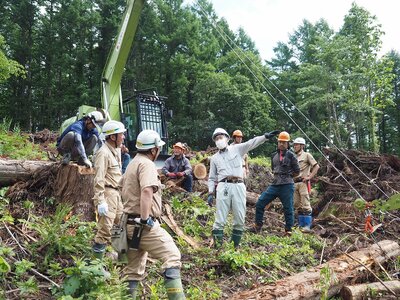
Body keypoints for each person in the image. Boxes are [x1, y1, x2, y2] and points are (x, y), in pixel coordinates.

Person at [121, 130, 185, 299]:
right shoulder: (147, 164)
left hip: (128, 224)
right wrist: (144, 220)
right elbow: (147, 191)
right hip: (142, 224)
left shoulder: (133, 163)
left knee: (133, 271)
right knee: (172, 256)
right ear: (153, 150)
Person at [207, 128, 279, 248]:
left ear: (227, 138)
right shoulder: (214, 158)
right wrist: (210, 192)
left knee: (240, 217)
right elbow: (211, 177)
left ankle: (234, 247)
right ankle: (218, 248)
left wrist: (265, 137)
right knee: (220, 218)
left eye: (221, 137)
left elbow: (252, 143)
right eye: (217, 138)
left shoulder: (237, 149)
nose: (219, 140)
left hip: (239, 185)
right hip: (223, 186)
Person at [250, 131, 300, 235]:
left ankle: (288, 230)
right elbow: (274, 169)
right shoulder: (273, 156)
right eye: (280, 142)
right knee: (260, 202)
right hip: (275, 183)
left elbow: (297, 171)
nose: (281, 144)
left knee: (288, 207)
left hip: (287, 184)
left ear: (288, 144)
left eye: (284, 142)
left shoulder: (292, 156)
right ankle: (257, 225)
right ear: (277, 143)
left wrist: (288, 177)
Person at [92, 120, 126, 260]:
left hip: (117, 194)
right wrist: (100, 200)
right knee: (105, 229)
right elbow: (98, 178)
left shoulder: (115, 151)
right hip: (108, 194)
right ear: (113, 137)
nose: (123, 137)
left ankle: (122, 259)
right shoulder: (103, 153)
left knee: (121, 224)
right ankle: (95, 266)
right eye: (121, 134)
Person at [292, 137, 320, 232]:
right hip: (294, 183)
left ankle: (307, 225)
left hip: (303, 182)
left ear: (302, 146)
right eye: (294, 145)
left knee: (305, 204)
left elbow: (316, 166)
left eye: (296, 144)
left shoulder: (307, 155)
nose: (295, 146)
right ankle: (301, 224)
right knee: (297, 204)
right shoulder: (294, 157)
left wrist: (309, 177)